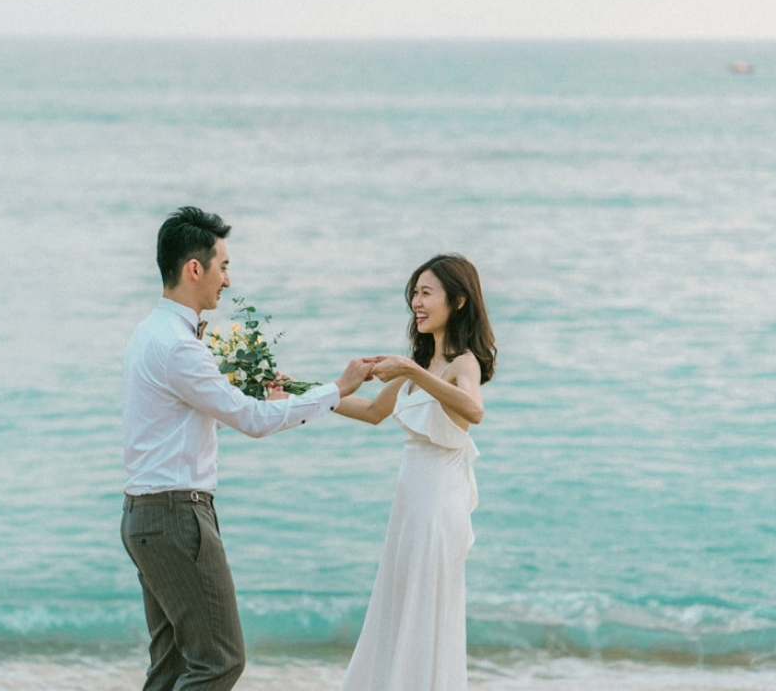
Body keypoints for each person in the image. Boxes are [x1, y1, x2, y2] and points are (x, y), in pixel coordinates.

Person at [120, 206, 374, 691]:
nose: (228, 281)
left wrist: (270, 396)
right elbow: (252, 421)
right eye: (224, 266)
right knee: (220, 662)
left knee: (173, 666)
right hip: (176, 517)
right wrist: (337, 388)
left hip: (145, 515)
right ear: (195, 268)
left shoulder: (148, 333)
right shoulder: (178, 346)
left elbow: (222, 407)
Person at [337, 253, 496, 691]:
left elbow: (473, 410)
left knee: (425, 613)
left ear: (458, 301)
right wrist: (299, 395)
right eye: (414, 293)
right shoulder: (421, 366)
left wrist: (409, 368)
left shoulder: (463, 363)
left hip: (437, 507)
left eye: (427, 293)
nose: (416, 303)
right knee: (399, 606)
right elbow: (371, 411)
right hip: (409, 506)